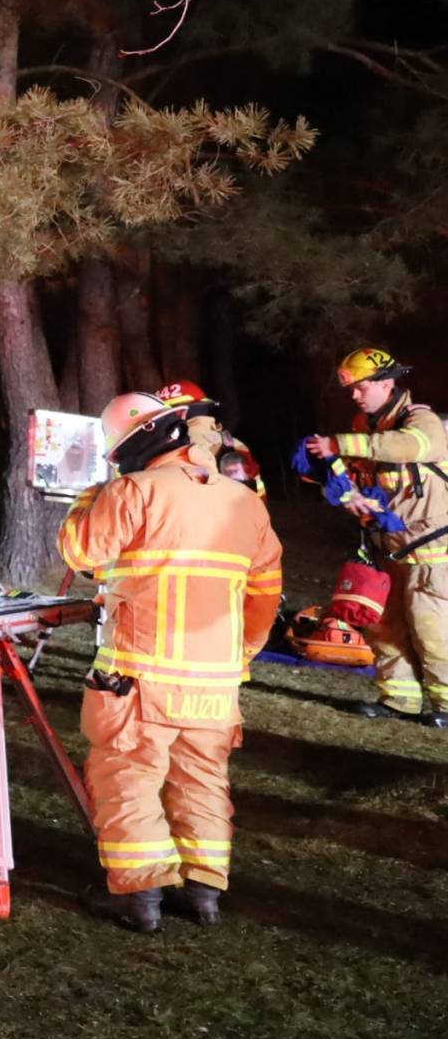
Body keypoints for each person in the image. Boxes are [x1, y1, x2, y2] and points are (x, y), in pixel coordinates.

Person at [59, 391, 283, 931]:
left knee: (128, 779)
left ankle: (141, 898)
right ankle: (204, 892)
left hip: (139, 679)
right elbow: (267, 590)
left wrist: (88, 498)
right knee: (204, 781)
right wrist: (241, 653)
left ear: (131, 446)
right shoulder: (244, 501)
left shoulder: (131, 491)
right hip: (216, 683)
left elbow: (80, 552)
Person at [304, 346, 448, 723]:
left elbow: (413, 448)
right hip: (385, 547)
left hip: (432, 551)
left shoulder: (422, 422)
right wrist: (341, 488)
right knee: (383, 628)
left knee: (432, 628)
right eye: (350, 389)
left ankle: (447, 707)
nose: (355, 395)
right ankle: (398, 700)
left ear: (386, 383)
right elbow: (357, 476)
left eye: (361, 387)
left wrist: (340, 444)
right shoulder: (363, 427)